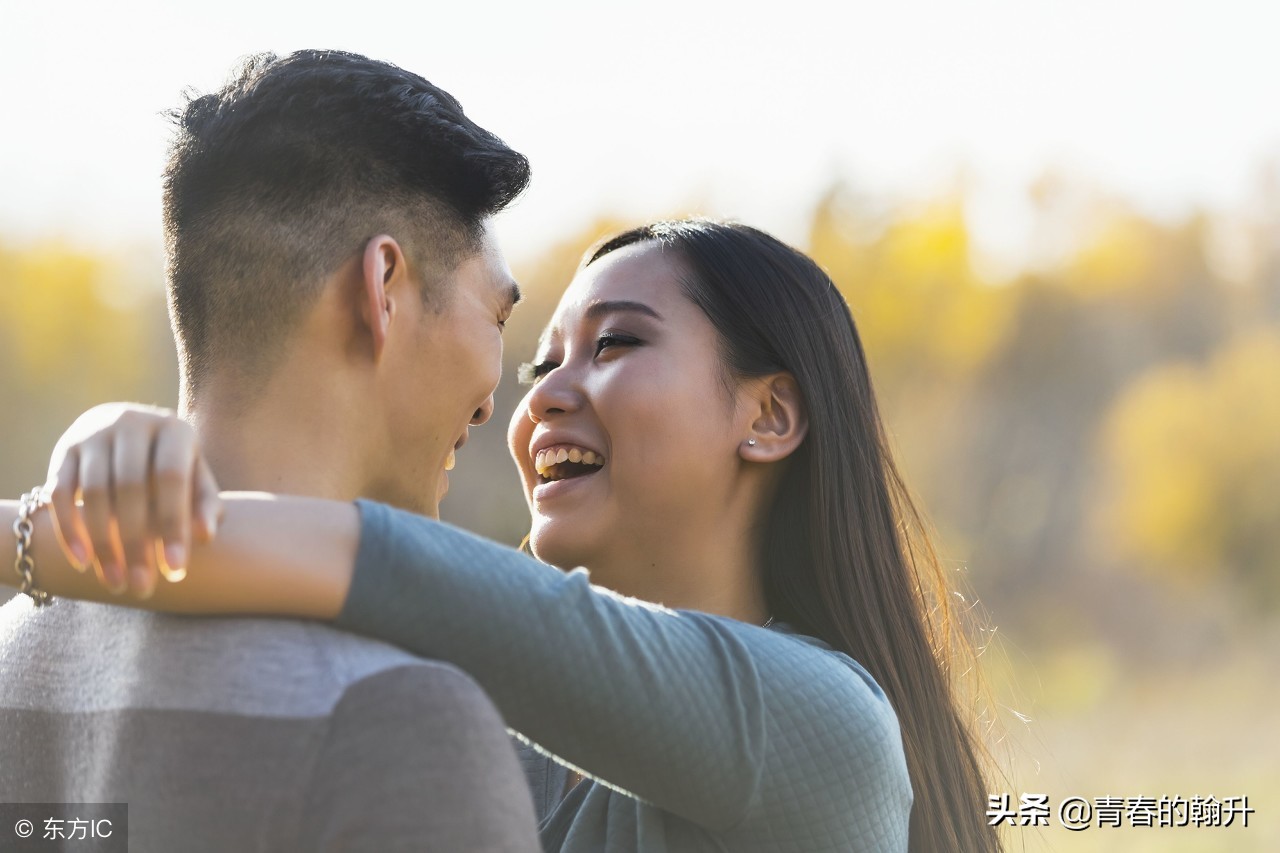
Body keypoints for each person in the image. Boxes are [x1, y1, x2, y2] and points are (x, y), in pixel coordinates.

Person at [8, 221, 1004, 851]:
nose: (545, 398)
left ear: (768, 417)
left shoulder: (819, 721)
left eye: (614, 344)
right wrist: (114, 445)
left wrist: (25, 535)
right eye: (538, 365)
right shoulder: (478, 726)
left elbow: (382, 565)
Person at [0, 49, 543, 852]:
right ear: (384, 287)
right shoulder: (402, 716)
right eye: (497, 319)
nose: (498, 399)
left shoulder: (13, 653)